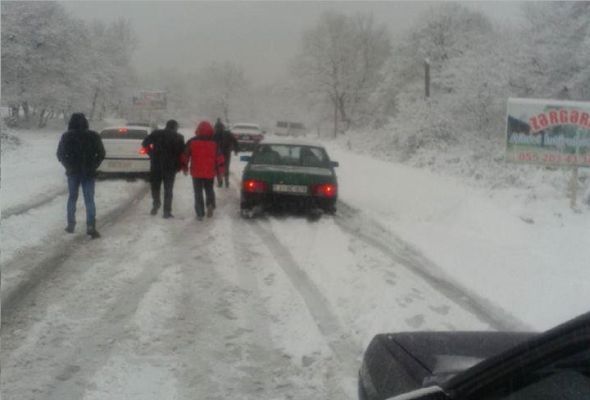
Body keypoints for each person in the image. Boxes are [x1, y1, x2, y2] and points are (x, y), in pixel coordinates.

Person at [57, 113, 105, 239]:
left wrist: (68, 165)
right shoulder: (93, 136)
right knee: (89, 199)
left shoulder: (67, 136)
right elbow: (101, 153)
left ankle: (71, 225)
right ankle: (91, 227)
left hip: (73, 172)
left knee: (72, 198)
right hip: (89, 172)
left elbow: (60, 154)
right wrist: (93, 165)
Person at [142, 119, 186, 218]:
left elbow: (144, 143)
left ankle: (156, 203)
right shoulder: (179, 137)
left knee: (155, 187)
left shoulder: (156, 134)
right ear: (175, 127)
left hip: (156, 164)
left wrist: (151, 153)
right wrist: (180, 165)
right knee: (168, 189)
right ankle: (167, 211)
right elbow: (182, 153)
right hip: (170, 167)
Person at [186, 121, 217, 220]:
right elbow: (219, 158)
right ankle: (210, 204)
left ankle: (199, 213)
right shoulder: (214, 143)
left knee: (198, 192)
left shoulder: (192, 141)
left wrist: (184, 166)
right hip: (210, 171)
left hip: (196, 172)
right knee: (209, 189)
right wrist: (220, 170)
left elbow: (185, 155)